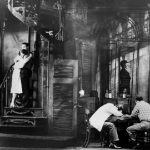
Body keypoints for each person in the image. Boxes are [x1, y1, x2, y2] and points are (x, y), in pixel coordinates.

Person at [10, 42, 33, 108]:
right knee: (16, 87)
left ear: (28, 47)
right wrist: (19, 59)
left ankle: (19, 104)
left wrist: (20, 59)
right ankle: (13, 102)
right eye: (22, 47)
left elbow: (23, 64)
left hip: (23, 73)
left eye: (24, 47)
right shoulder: (21, 54)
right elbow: (15, 60)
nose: (22, 48)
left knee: (22, 89)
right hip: (17, 72)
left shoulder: (29, 55)